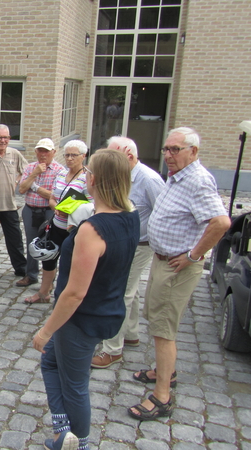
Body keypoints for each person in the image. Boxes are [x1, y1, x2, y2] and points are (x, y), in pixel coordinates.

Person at [32, 149, 139, 450]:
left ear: (93, 180)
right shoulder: (131, 214)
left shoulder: (93, 230)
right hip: (106, 308)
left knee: (76, 386)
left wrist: (46, 330)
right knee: (50, 363)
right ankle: (62, 433)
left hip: (81, 319)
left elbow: (75, 292)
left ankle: (80, 444)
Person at [128, 128, 230, 421]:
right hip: (163, 261)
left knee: (163, 329)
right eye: (166, 149)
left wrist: (193, 255)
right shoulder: (177, 176)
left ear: (193, 151)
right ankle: (164, 371)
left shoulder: (197, 180)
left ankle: (161, 397)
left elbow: (221, 222)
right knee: (156, 317)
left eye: (176, 150)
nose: (169, 155)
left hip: (177, 265)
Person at [91, 136, 165, 369]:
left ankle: (112, 350)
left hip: (140, 245)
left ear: (129, 157)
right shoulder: (121, 175)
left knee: (120, 292)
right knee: (130, 291)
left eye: (114, 158)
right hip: (124, 243)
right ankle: (131, 334)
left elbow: (163, 214)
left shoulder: (150, 180)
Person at [25, 140, 92, 304]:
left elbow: (91, 205)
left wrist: (69, 210)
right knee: (49, 260)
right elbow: (53, 198)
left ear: (83, 156)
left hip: (74, 229)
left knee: (70, 263)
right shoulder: (61, 174)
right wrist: (56, 208)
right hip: (57, 224)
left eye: (73, 155)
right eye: (67, 155)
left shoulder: (87, 177)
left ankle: (67, 297)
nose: (69, 159)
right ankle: (43, 293)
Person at [0, 124, 28, 281]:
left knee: (15, 238)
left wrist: (16, 181)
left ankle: (21, 267)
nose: (3, 140)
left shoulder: (14, 154)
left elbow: (26, 171)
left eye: (6, 137)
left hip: (9, 205)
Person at [18, 138, 64, 292]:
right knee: (32, 243)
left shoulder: (59, 171)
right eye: (40, 150)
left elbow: (55, 196)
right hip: (30, 210)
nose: (43, 154)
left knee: (50, 244)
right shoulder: (30, 167)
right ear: (36, 151)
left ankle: (49, 280)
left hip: (49, 211)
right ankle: (31, 274)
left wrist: (35, 186)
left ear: (53, 152)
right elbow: (22, 189)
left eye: (46, 151)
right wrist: (35, 174)